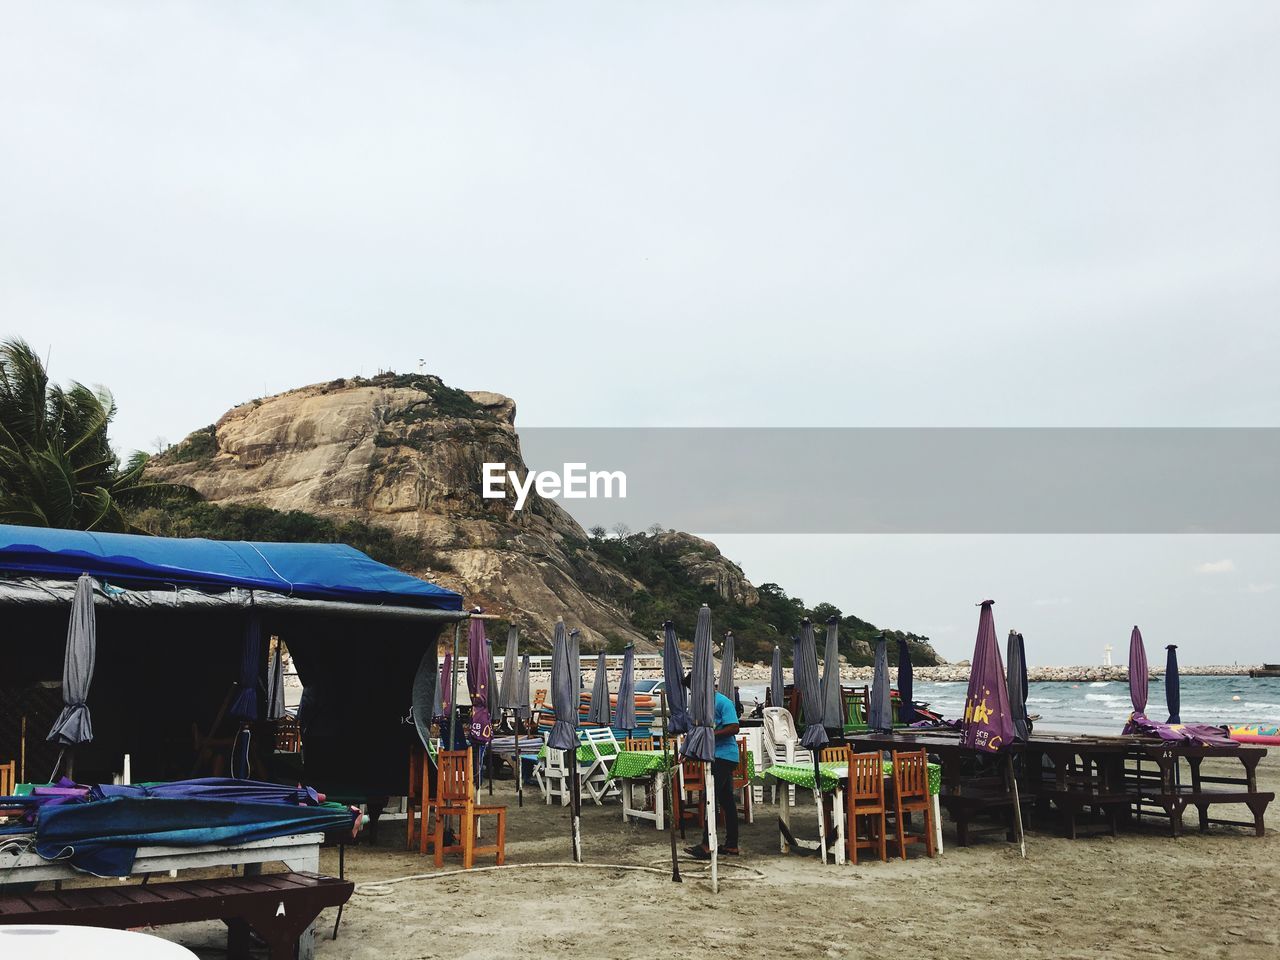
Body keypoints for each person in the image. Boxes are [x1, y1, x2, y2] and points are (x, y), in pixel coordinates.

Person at [682, 671, 740, 859]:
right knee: (727, 801)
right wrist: (687, 751)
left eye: (693, 689)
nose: (692, 693)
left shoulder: (723, 702)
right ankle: (732, 845)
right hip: (713, 756)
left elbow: (734, 727)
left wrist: (711, 735)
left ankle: (707, 844)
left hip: (724, 756)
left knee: (710, 797)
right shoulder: (700, 707)